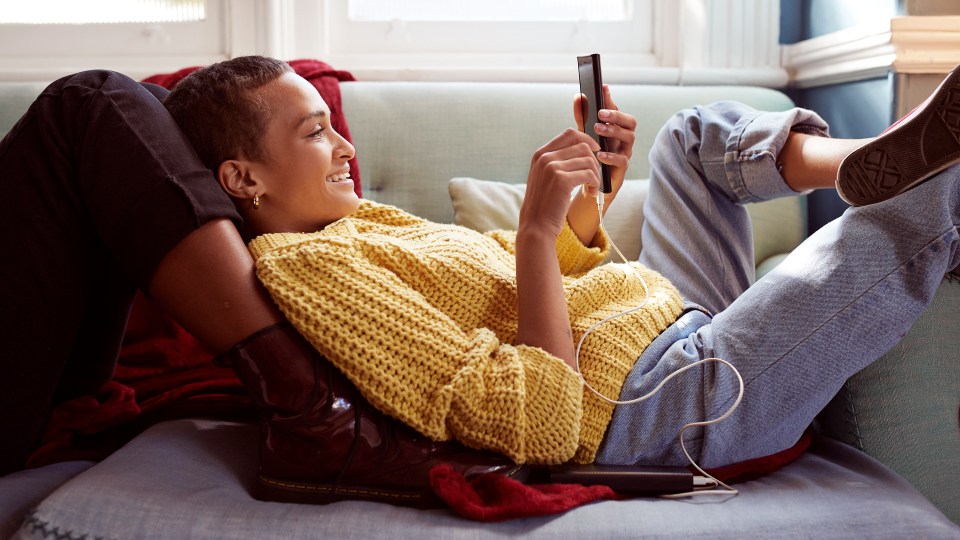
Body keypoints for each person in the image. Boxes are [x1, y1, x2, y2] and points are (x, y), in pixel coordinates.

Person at [2, 55, 958, 508]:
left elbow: (554, 286)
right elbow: (539, 421)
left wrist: (582, 208)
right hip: (669, 403)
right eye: (315, 133)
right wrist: (536, 234)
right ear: (242, 181)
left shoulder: (362, 225)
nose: (345, 146)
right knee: (928, 209)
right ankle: (910, 184)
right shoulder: (308, 268)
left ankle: (863, 159)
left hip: (666, 322)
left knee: (690, 137)